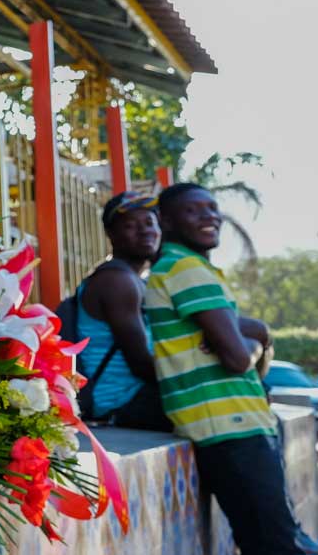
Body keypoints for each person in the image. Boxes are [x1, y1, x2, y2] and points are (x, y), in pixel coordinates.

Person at [147, 182, 315, 554]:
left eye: (211, 207)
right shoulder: (186, 269)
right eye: (194, 210)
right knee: (278, 544)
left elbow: (242, 351)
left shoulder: (183, 268)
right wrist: (254, 342)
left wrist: (252, 337)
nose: (209, 216)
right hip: (230, 428)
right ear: (167, 221)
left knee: (269, 539)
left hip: (233, 425)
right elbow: (238, 360)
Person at [74, 191, 170, 430]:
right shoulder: (117, 281)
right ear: (111, 234)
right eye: (131, 225)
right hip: (120, 403)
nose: (145, 230)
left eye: (150, 222)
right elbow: (141, 365)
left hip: (133, 397)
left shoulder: (135, 279)